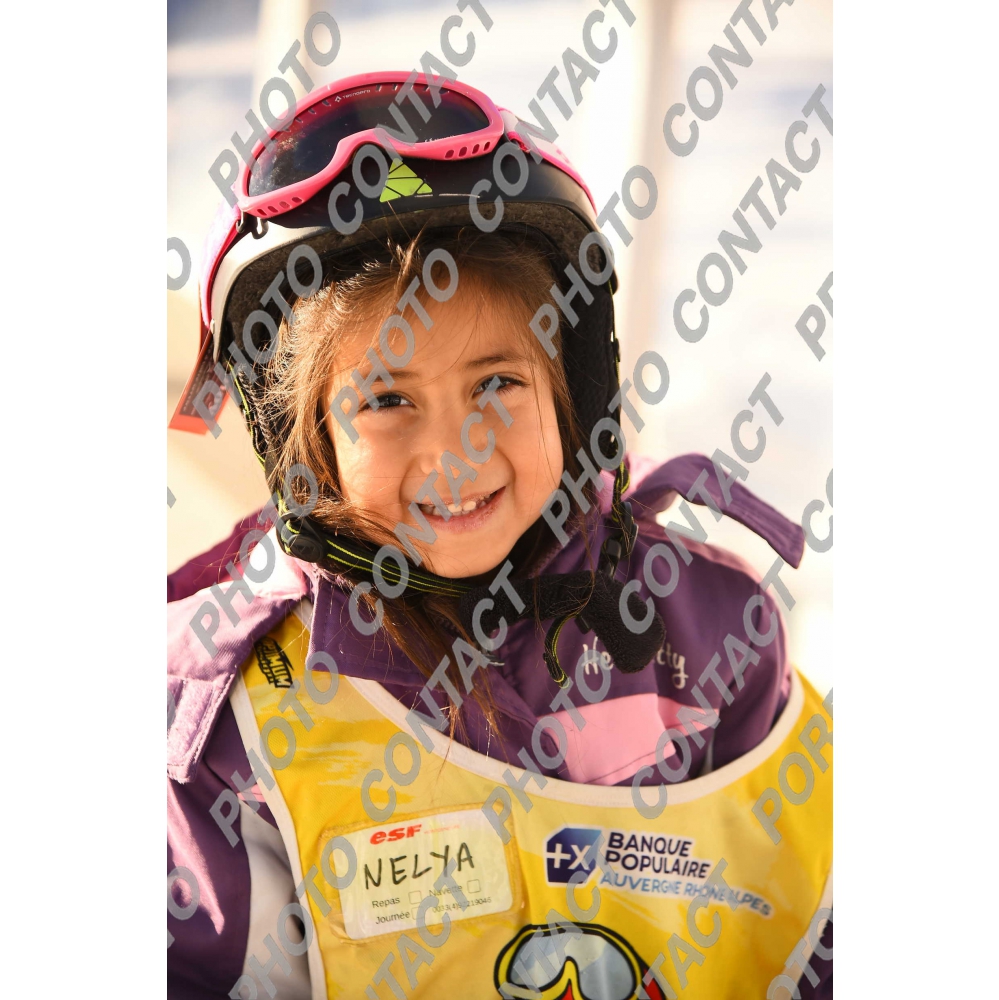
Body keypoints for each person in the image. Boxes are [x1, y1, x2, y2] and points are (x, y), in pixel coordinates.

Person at [167, 73, 832, 1000]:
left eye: (497, 385)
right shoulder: (236, 718)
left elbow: (815, 921)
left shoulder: (710, 632)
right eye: (386, 401)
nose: (455, 453)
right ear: (306, 444)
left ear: (571, 390)